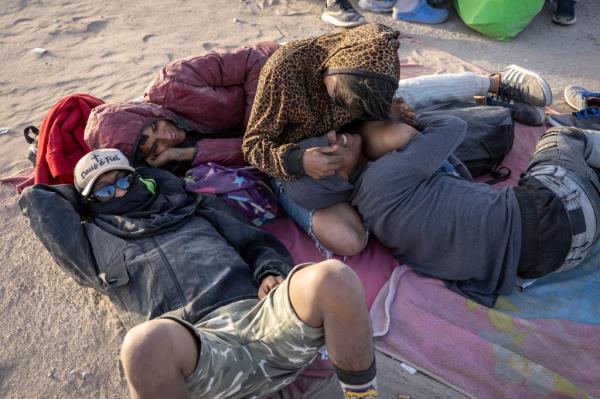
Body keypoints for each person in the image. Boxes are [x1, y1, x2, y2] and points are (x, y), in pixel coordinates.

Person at [19, 149, 380, 399]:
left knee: (333, 277)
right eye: (104, 190)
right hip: (200, 357)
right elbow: (40, 201)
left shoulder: (194, 205)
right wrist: (79, 186)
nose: (118, 192)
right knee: (143, 345)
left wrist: (271, 271)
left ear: (141, 180)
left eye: (123, 181)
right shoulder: (92, 241)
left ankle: (362, 393)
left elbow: (255, 242)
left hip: (262, 320)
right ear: (88, 204)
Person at [243, 21, 551, 257]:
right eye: (339, 95)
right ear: (333, 69)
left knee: (406, 125)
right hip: (294, 162)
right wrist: (298, 160)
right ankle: (487, 100)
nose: (337, 102)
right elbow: (253, 145)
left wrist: (385, 111)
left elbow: (369, 110)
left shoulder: (372, 59)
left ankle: (494, 87)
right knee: (351, 241)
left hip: (352, 140)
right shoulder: (286, 69)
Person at [282, 116, 600, 307]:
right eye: (328, 145)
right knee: (561, 137)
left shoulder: (380, 221)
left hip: (560, 256)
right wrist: (378, 127)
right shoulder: (386, 176)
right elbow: (452, 126)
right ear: (337, 178)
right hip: (557, 211)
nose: (336, 134)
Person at [84, 41, 280, 171]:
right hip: (278, 128)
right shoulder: (175, 158)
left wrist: (254, 127)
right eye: (155, 147)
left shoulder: (176, 79)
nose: (165, 137)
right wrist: (184, 153)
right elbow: (252, 152)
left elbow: (254, 60)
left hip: (283, 71)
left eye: (154, 126)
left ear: (148, 113)